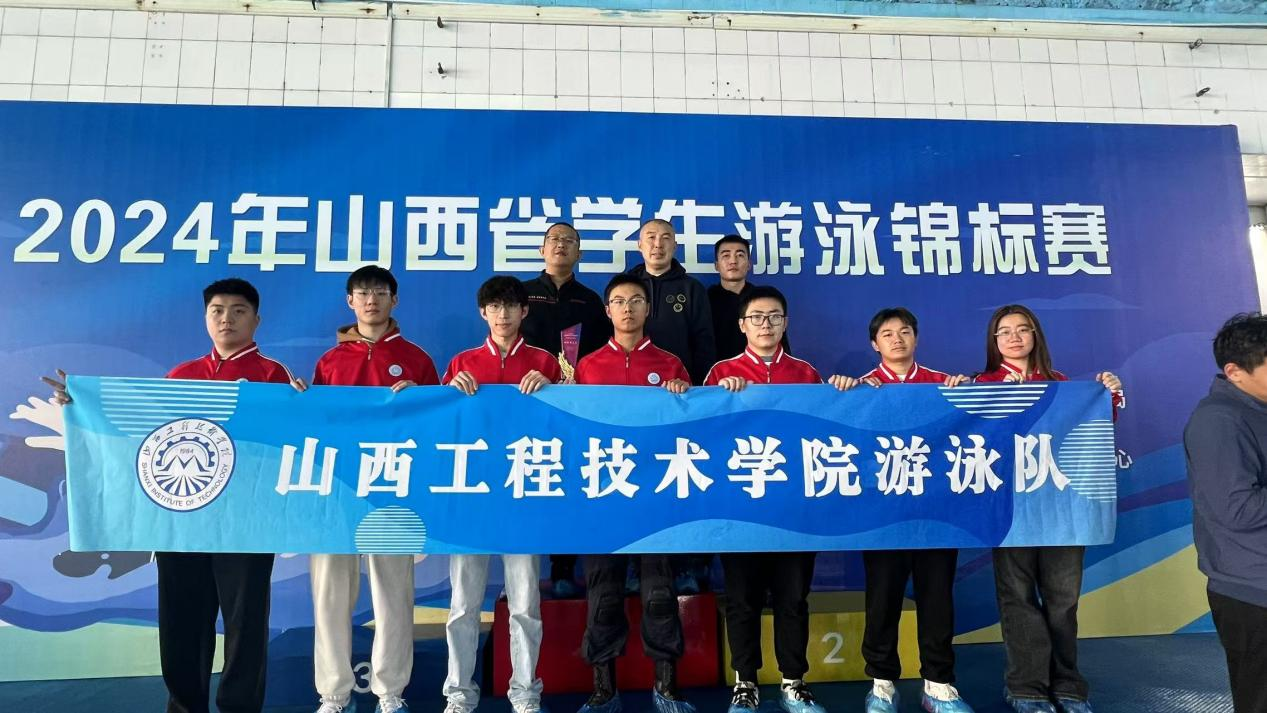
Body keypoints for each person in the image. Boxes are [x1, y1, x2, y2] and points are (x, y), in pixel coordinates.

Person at [46, 278, 299, 713]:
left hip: (247, 520)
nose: (227, 319)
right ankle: (184, 706)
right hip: (181, 518)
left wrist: (301, 405)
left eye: (238, 311)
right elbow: (142, 432)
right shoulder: (181, 376)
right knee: (182, 621)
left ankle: (239, 707)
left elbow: (296, 439)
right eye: (217, 310)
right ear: (205, 318)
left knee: (245, 624)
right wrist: (82, 403)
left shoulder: (276, 377)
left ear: (256, 320)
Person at [703, 286, 853, 713]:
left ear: (785, 323)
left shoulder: (806, 374)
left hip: (793, 512)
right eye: (756, 317)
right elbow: (703, 434)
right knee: (742, 600)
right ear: (742, 325)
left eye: (773, 317)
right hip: (741, 510)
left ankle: (793, 682)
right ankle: (745, 682)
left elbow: (827, 429)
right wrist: (720, 397)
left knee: (792, 599)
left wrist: (842, 390)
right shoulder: (722, 372)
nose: (765, 324)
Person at [975, 305, 1123, 713]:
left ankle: (1068, 685)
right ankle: (1026, 687)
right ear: (994, 342)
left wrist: (1107, 394)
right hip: (1010, 513)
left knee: (1063, 599)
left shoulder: (1063, 385)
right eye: (1004, 331)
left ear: (1036, 335)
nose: (1014, 337)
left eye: (1023, 329)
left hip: (1063, 510)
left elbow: (1090, 430)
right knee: (1017, 597)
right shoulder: (981, 385)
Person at [309, 265, 440, 713]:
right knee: (330, 595)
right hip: (337, 492)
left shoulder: (417, 359)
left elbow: (436, 427)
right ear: (350, 302)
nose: (371, 300)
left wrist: (420, 399)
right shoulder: (329, 362)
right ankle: (333, 694)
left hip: (392, 490)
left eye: (380, 292)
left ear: (394, 300)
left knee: (393, 594)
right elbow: (315, 425)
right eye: (362, 293)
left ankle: (390, 692)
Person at [574, 273, 696, 713]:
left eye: (636, 301)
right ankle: (603, 689)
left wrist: (684, 396)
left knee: (659, 595)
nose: (628, 309)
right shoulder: (586, 367)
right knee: (603, 596)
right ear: (608, 311)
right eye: (619, 302)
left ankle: (666, 686)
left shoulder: (670, 364)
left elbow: (692, 428)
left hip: (656, 500)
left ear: (648, 309)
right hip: (604, 499)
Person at [441, 276, 561, 713]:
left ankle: (526, 692)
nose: (503, 314)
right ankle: (458, 693)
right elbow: (441, 424)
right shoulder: (462, 362)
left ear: (524, 311)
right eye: (494, 307)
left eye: (511, 306)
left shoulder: (545, 362)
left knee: (525, 603)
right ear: (483, 313)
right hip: (473, 496)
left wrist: (554, 388)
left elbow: (567, 421)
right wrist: (449, 393)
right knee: (462, 605)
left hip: (523, 494)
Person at [852, 308, 973, 713]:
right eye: (887, 334)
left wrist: (967, 392)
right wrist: (844, 394)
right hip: (884, 516)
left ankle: (938, 684)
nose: (897, 339)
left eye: (905, 332)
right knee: (882, 599)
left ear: (916, 338)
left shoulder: (944, 384)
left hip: (937, 515)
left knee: (937, 598)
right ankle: (882, 684)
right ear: (875, 344)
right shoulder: (861, 390)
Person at [518, 221, 611, 598]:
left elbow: (603, 350)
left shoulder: (590, 300)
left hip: (576, 402)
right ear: (542, 249)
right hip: (528, 400)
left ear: (579, 253)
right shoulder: (522, 293)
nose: (561, 245)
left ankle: (564, 567)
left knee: (573, 478)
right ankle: (527, 571)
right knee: (534, 476)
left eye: (569, 241)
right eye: (554, 240)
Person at [1185, 312, 1267, 713]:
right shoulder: (1218, 421)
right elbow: (1237, 510)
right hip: (1253, 592)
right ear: (1235, 372)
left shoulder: (1258, 408)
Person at [624, 218, 715, 386]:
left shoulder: (692, 288)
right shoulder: (625, 287)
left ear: (675, 246)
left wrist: (696, 385)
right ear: (639, 245)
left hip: (679, 384)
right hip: (633, 383)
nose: (658, 245)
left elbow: (704, 343)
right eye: (651, 237)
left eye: (665, 238)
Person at [707, 235, 789, 361]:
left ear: (749, 264)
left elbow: (780, 341)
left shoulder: (763, 299)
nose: (733, 261)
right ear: (716, 265)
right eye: (726, 255)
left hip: (759, 370)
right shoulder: (705, 299)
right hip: (718, 370)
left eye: (740, 255)